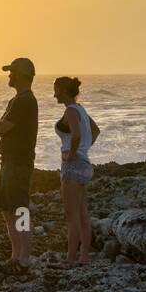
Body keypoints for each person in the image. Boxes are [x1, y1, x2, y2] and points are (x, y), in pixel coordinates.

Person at [0, 57, 38, 273]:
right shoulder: (18, 100)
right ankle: (16, 256)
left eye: (12, 72)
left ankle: (24, 258)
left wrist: (1, 125)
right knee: (7, 209)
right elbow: (2, 126)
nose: (9, 75)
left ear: (21, 75)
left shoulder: (24, 101)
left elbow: (2, 127)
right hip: (9, 162)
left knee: (19, 210)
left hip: (18, 164)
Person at [53, 75, 100, 264]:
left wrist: (72, 153)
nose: (54, 94)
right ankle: (84, 257)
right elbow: (95, 131)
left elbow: (76, 135)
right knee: (82, 214)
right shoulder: (81, 109)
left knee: (71, 216)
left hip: (72, 166)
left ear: (64, 91)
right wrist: (84, 149)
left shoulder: (71, 111)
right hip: (85, 165)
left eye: (56, 90)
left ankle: (71, 258)